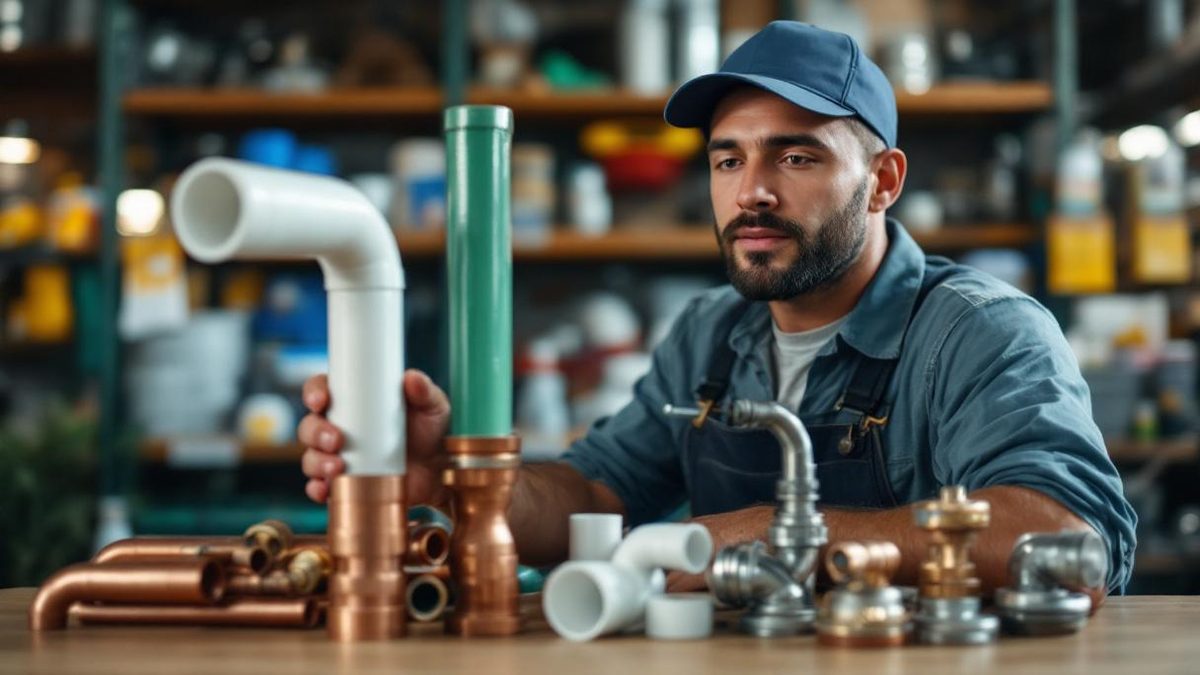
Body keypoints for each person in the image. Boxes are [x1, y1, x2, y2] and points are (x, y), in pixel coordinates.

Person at [298, 22, 1135, 597]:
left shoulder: (979, 332)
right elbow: (595, 494)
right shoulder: (712, 331)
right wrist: (453, 478)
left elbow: (1073, 539)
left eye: (796, 155)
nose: (752, 192)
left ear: (883, 182)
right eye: (727, 159)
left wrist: (787, 533)